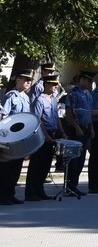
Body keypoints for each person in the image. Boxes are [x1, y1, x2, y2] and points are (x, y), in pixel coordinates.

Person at [25, 71, 62, 202]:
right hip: (42, 136)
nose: (56, 87)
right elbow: (38, 120)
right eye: (53, 84)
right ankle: (30, 192)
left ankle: (40, 190)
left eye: (56, 84)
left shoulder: (53, 100)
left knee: (46, 165)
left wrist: (62, 132)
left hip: (52, 135)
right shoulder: (39, 100)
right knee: (37, 164)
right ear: (46, 85)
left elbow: (56, 118)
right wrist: (45, 135)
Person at [0, 66, 34, 205]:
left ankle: (11, 193)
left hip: (21, 137)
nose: (28, 82)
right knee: (6, 168)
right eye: (25, 79)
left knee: (16, 167)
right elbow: (4, 116)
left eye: (29, 80)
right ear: (17, 80)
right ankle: (3, 195)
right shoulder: (10, 96)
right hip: (10, 137)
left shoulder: (26, 97)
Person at [62, 70, 94, 197]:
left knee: (81, 159)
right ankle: (69, 185)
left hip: (85, 128)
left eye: (90, 81)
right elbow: (69, 113)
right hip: (75, 129)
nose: (89, 83)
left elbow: (89, 113)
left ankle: (74, 184)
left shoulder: (88, 94)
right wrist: (77, 127)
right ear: (82, 80)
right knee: (73, 159)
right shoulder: (73, 93)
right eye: (88, 81)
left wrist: (91, 129)